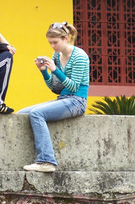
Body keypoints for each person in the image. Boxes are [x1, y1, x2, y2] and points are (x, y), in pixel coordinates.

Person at [19, 21, 90, 172]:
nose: (52, 46)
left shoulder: (80, 56)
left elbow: (74, 87)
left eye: (55, 42)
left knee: (37, 113)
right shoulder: (56, 56)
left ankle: (46, 161)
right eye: (50, 43)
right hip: (63, 99)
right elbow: (55, 88)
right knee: (21, 114)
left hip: (77, 101)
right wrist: (44, 71)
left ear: (66, 38)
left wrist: (55, 70)